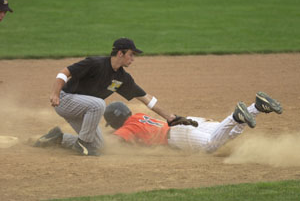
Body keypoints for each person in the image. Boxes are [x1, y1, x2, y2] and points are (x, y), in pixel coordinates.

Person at [34, 38, 195, 156]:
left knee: (99, 145)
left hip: (83, 110)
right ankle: (82, 144)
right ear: (120, 53)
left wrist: (170, 117)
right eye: (131, 54)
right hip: (66, 100)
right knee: (98, 104)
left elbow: (145, 98)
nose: (133, 59)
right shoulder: (95, 63)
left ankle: (58, 138)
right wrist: (55, 93)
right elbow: (64, 72)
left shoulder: (123, 78)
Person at [103, 92, 282, 153]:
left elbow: (114, 141)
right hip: (186, 122)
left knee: (210, 146)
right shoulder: (137, 117)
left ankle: (236, 116)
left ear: (116, 122)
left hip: (178, 135)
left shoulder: (128, 128)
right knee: (228, 135)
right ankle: (256, 107)